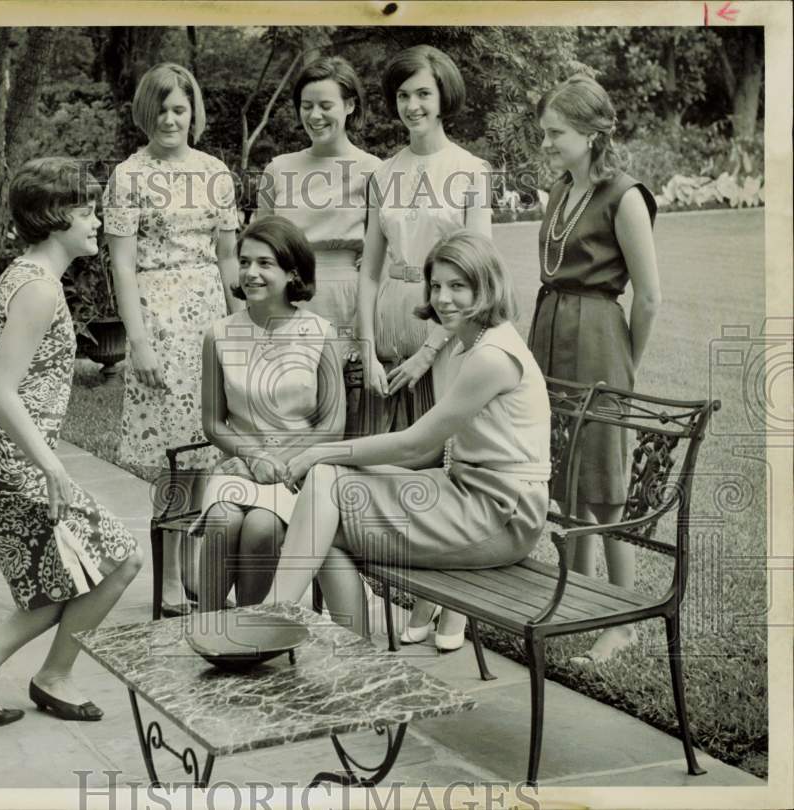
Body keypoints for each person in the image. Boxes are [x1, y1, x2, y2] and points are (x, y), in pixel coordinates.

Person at [263, 230, 550, 639]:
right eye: (435, 286)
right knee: (324, 515)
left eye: (458, 286)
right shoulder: (467, 344)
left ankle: (272, 621)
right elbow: (422, 454)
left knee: (323, 496)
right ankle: (343, 651)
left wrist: (318, 453)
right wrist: (333, 461)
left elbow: (416, 443)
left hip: (503, 513)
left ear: (486, 287)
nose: (443, 298)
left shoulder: (492, 357)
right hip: (465, 493)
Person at [0, 158, 142, 726]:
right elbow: (0, 392)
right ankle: (46, 675)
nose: (98, 220)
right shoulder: (38, 291)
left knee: (62, 578)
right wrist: (53, 467)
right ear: (55, 217)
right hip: (7, 460)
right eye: (87, 209)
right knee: (119, 562)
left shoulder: (27, 275)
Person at [357, 44, 494, 645]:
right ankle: (417, 595)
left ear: (443, 98)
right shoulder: (383, 174)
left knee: (449, 462)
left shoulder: (470, 170)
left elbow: (476, 273)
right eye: (403, 94)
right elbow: (368, 267)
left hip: (452, 322)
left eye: (423, 94)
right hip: (391, 318)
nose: (412, 105)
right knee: (401, 466)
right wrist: (366, 343)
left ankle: (456, 603)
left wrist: (430, 350)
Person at [528, 75, 660, 666]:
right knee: (564, 478)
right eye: (545, 132)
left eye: (555, 133)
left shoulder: (625, 196)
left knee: (605, 485)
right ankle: (574, 602)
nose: (546, 143)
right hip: (551, 333)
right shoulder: (561, 188)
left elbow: (650, 297)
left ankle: (622, 619)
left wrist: (623, 363)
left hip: (600, 340)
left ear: (590, 132)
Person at [102, 63, 241, 617]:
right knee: (172, 460)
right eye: (160, 108)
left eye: (179, 108)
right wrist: (138, 341)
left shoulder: (215, 173)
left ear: (193, 112)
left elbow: (230, 257)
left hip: (208, 318)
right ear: (145, 112)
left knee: (205, 453)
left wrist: (241, 332)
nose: (170, 119)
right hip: (158, 322)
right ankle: (165, 584)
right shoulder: (128, 176)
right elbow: (121, 265)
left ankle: (186, 576)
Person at [192, 216, 345, 610]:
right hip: (240, 465)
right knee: (224, 521)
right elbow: (212, 422)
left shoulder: (320, 333)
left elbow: (333, 424)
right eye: (244, 262)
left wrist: (280, 460)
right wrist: (252, 455)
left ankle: (251, 637)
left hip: (299, 471)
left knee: (261, 527)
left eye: (264, 263)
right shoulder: (220, 335)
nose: (250, 273)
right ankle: (208, 628)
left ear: (292, 272)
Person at [256, 56, 381, 351]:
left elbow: (385, 248)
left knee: (344, 392)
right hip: (285, 296)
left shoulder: (373, 169)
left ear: (350, 105)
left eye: (326, 106)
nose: (314, 116)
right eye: (307, 105)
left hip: (347, 300)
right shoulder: (277, 169)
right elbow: (256, 248)